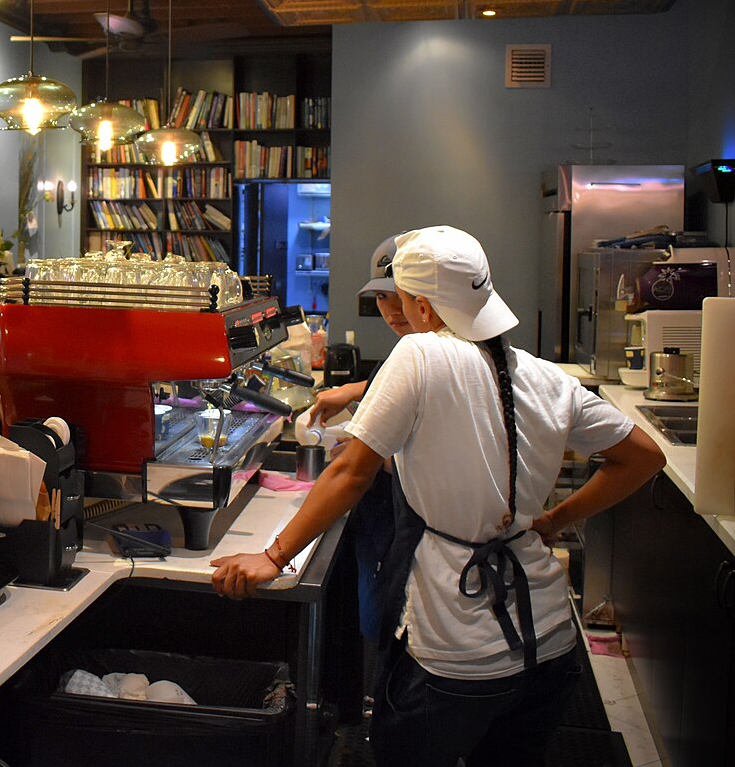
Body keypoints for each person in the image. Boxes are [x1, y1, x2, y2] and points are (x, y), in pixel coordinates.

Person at [212, 225, 665, 767]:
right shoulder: (547, 378)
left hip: (458, 653)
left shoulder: (419, 355)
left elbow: (351, 473)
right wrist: (552, 521)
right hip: (549, 645)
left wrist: (271, 557)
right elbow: (643, 456)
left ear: (423, 307)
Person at [297, 235, 412, 660]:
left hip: (403, 526)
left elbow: (356, 471)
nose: (392, 310)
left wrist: (275, 555)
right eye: (383, 298)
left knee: (385, 624)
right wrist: (356, 388)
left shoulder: (438, 356)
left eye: (401, 296)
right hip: (381, 519)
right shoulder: (407, 354)